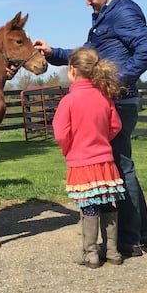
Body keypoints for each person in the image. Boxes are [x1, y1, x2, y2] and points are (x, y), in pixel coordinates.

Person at [34, 0, 147, 257]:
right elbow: (88, 56)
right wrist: (54, 54)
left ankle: (129, 239)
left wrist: (114, 80)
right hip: (112, 99)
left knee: (120, 167)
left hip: (118, 100)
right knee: (121, 165)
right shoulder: (105, 15)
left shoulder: (123, 12)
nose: (87, 2)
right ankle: (139, 233)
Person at [53, 47, 126, 268]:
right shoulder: (105, 97)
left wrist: (68, 149)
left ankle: (90, 253)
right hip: (105, 162)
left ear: (72, 70)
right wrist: (102, 140)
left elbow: (60, 132)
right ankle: (112, 251)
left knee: (89, 207)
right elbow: (116, 126)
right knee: (107, 204)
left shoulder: (69, 100)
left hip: (81, 163)